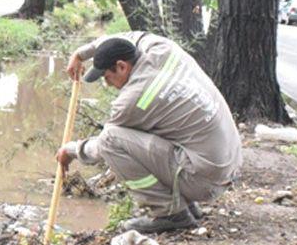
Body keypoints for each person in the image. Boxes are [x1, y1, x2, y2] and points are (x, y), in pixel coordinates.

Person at [58, 32, 241, 234]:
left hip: (206, 181)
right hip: (229, 162)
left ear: (121, 66)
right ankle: (186, 204)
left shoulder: (132, 100)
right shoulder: (163, 48)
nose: (108, 84)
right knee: (167, 126)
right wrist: (81, 54)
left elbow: (102, 148)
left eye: (108, 77)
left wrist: (72, 149)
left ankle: (170, 213)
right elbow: (129, 36)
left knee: (111, 140)